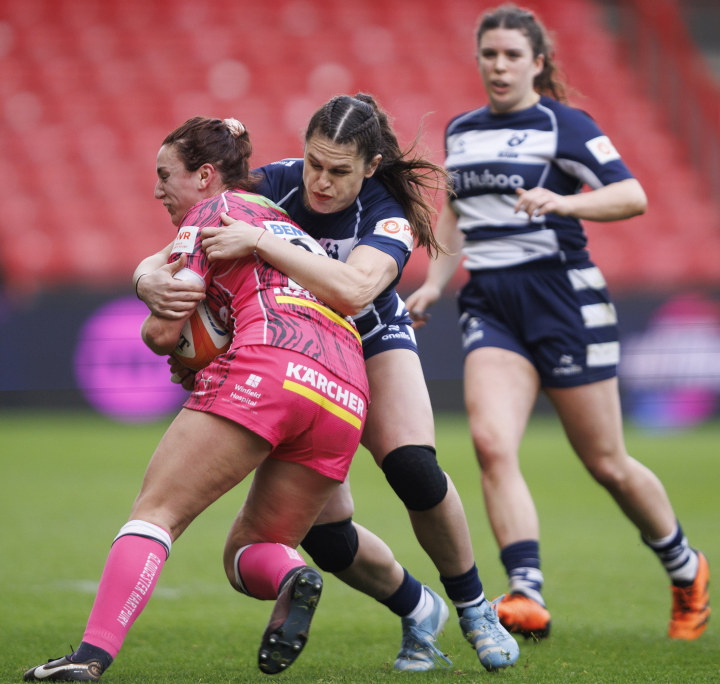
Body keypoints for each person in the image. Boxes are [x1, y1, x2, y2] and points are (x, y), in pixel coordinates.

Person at [136, 94, 520, 671]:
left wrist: (263, 241)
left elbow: (354, 291)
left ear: (369, 166)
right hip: (297, 355)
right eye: (314, 162)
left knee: (412, 467)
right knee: (324, 536)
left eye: (339, 171)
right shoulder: (275, 184)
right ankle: (419, 609)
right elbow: (179, 242)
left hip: (371, 341)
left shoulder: (387, 212)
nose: (320, 181)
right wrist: (145, 279)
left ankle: (474, 607)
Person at [23, 116, 371, 682]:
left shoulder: (211, 214)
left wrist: (160, 324)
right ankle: (289, 577)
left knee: (156, 513)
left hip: (271, 366)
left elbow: (165, 333)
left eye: (165, 175)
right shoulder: (287, 224)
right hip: (346, 391)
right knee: (249, 552)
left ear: (206, 175)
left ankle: (88, 659)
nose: (157, 190)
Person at [404, 3, 710, 641]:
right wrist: (435, 283)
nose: (499, 65)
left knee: (606, 462)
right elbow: (458, 213)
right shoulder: (462, 131)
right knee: (491, 443)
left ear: (537, 63)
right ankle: (526, 593)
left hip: (563, 299)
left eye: (513, 55)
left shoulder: (564, 125)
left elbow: (632, 196)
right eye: (489, 54)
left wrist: (564, 200)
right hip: (491, 302)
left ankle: (685, 568)